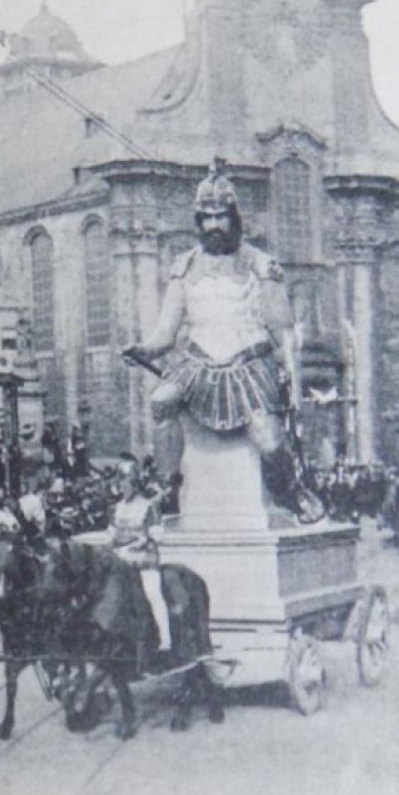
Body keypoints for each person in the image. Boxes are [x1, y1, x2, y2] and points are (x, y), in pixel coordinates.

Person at [123, 159, 325, 523]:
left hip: (250, 366)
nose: (214, 226)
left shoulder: (260, 265)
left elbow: (283, 330)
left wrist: (291, 377)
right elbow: (166, 333)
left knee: (269, 440)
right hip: (198, 365)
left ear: (234, 218)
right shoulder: (183, 267)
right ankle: (168, 487)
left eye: (221, 217)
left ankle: (292, 491)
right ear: (198, 222)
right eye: (207, 218)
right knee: (161, 400)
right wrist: (144, 349)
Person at [108, 459, 169, 651]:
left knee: (153, 593)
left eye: (126, 482)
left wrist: (134, 547)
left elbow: (155, 536)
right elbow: (112, 536)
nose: (122, 486)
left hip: (144, 559)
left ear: (135, 484)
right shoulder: (116, 508)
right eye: (120, 482)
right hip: (120, 557)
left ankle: (165, 637)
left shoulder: (148, 506)